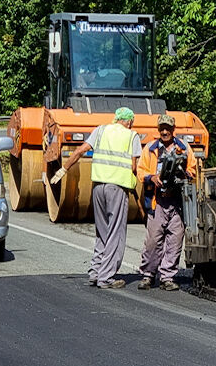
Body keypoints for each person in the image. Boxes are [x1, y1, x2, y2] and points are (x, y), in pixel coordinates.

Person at [50, 107, 142, 288]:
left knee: (102, 231)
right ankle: (106, 278)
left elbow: (79, 151)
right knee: (116, 233)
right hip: (117, 188)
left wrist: (64, 169)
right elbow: (134, 166)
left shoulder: (100, 130)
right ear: (129, 122)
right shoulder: (132, 136)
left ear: (116, 119)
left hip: (98, 187)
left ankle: (95, 272)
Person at [135, 114, 199, 291]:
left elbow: (193, 168)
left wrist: (185, 175)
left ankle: (167, 277)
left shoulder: (183, 147)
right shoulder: (150, 148)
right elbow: (140, 171)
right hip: (158, 201)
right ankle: (148, 275)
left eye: (168, 129)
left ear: (173, 130)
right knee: (153, 240)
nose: (165, 132)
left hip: (178, 201)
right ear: (158, 130)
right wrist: (152, 177)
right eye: (162, 129)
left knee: (175, 240)